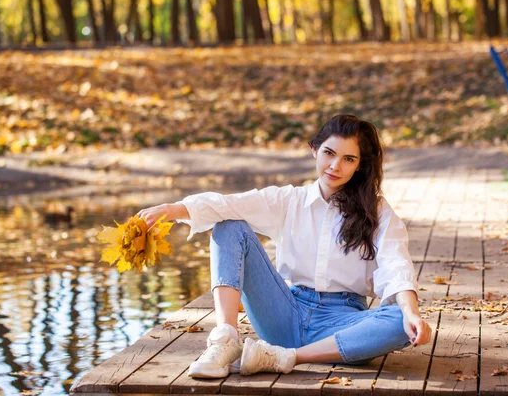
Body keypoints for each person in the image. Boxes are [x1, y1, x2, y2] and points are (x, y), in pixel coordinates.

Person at [137, 114, 431, 379]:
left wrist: (411, 312)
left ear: (360, 165)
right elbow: (230, 203)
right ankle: (225, 339)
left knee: (398, 319)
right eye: (328, 153)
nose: (334, 166)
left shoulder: (376, 211)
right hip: (285, 314)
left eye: (348, 159)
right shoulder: (289, 200)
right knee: (229, 223)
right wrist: (175, 208)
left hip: (342, 323)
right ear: (315, 149)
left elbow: (396, 264)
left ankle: (285, 357)